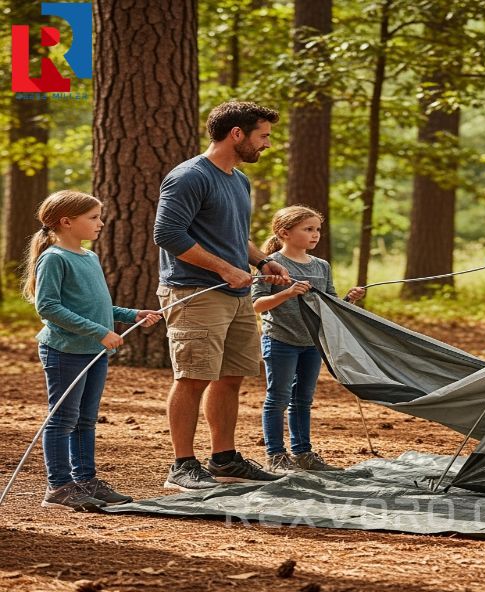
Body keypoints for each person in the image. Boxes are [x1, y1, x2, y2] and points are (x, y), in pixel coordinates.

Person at [153, 100, 292, 491]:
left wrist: (262, 262)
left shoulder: (238, 179)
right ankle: (181, 465)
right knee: (193, 377)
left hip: (237, 294)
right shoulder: (189, 177)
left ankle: (225, 460)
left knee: (231, 377)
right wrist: (224, 269)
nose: (266, 144)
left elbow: (234, 236)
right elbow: (168, 235)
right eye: (262, 136)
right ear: (237, 134)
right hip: (195, 292)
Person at [21, 191, 162, 511]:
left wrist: (131, 315)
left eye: (99, 216)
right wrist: (100, 332)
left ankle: (84, 479)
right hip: (64, 351)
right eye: (93, 218)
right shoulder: (54, 258)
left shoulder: (90, 257)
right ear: (66, 222)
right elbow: (49, 308)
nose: (101, 223)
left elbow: (95, 305)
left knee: (85, 420)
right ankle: (58, 487)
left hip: (92, 352)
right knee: (63, 419)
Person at [252, 206, 365, 474]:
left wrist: (349, 300)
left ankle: (303, 454)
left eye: (317, 230)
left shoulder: (321, 266)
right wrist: (287, 293)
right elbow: (256, 304)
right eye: (308, 229)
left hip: (312, 343)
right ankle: (276, 456)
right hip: (280, 339)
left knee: (303, 399)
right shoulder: (271, 264)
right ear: (285, 233)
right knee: (278, 398)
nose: (315, 235)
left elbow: (330, 304)